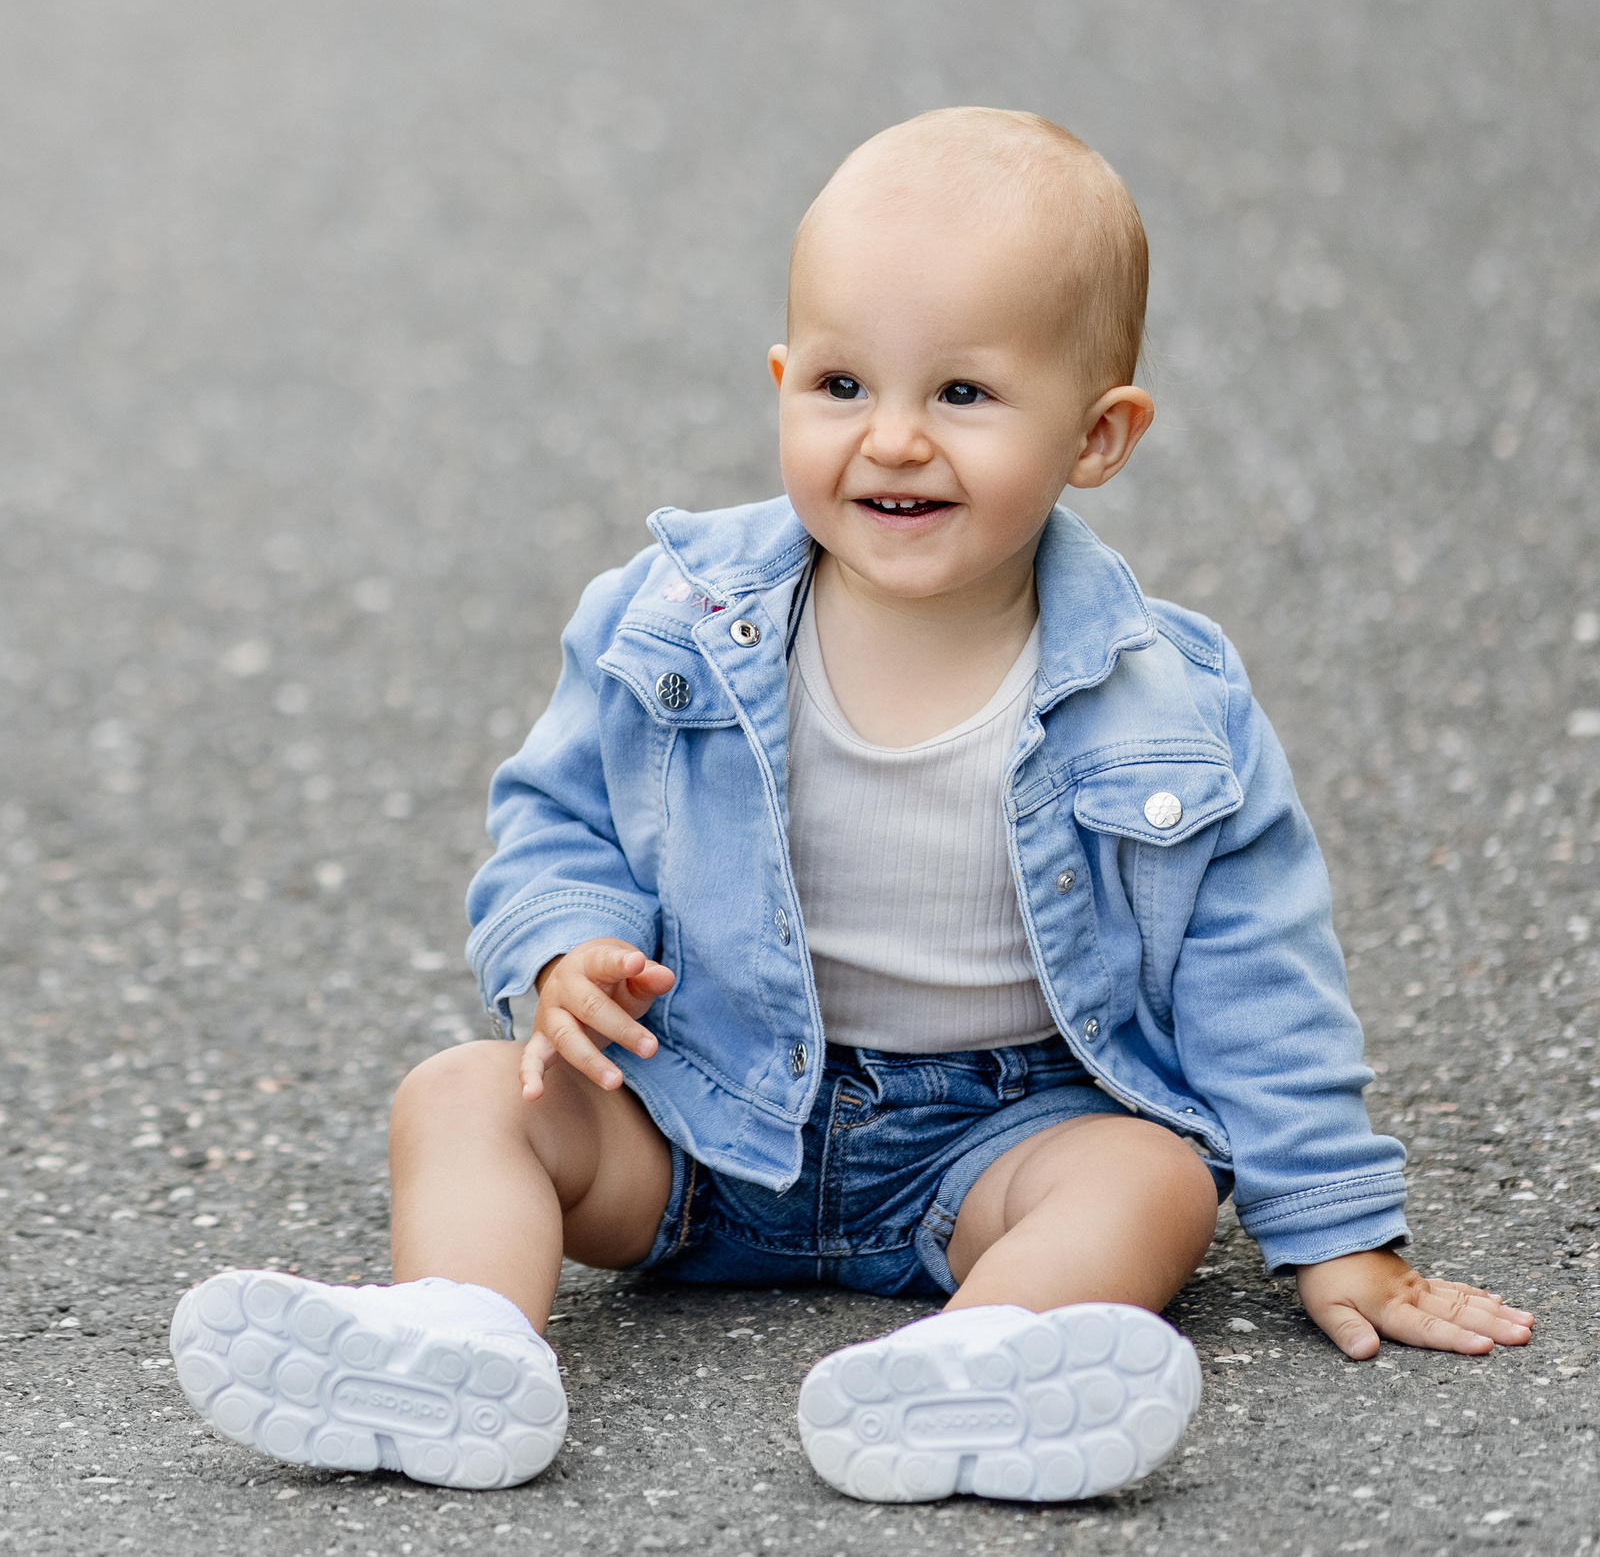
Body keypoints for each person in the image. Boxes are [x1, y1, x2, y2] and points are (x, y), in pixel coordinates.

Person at [168, 108, 1533, 1502]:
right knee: (463, 1095)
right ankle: (457, 1338)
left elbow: (1259, 969)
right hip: (698, 1114)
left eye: (962, 396)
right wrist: (564, 948)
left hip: (997, 1138)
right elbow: (556, 819)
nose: (890, 441)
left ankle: (986, 1359)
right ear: (779, 383)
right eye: (838, 385)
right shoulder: (675, 624)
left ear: (1099, 434)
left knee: (1154, 1183)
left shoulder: (1162, 698)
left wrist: (1333, 1226)